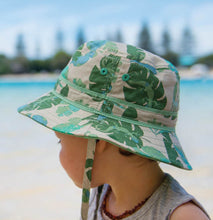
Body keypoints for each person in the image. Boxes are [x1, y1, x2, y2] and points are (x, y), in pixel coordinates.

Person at [18, 40, 210, 220]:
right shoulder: (103, 191)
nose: (59, 151)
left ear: (99, 139)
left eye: (60, 140)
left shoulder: (181, 216)